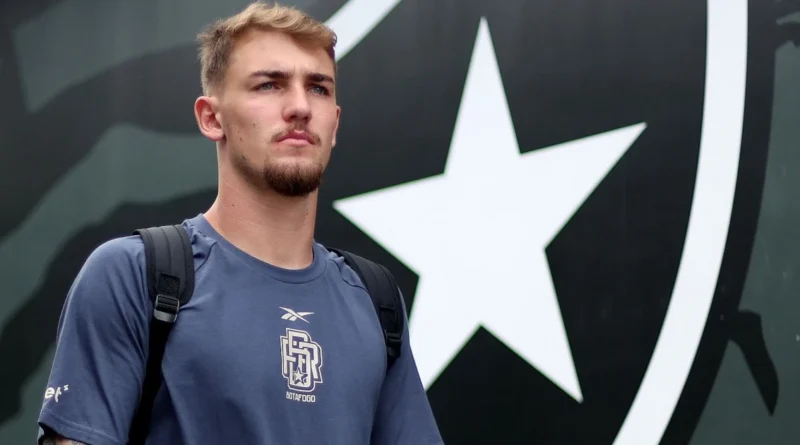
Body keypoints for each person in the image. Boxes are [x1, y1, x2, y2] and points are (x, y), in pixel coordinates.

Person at [36, 2, 444, 444]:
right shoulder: (131, 275)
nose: (300, 106)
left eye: (319, 88)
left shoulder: (375, 300)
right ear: (211, 118)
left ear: (335, 124)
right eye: (269, 84)